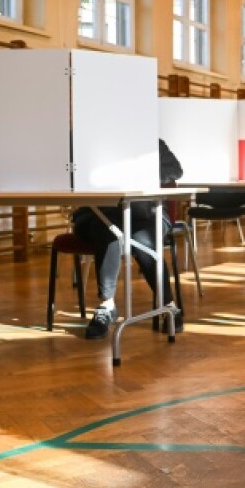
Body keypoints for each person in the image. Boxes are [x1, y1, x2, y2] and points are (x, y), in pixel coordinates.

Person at [72, 140, 184, 339]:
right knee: (108, 231)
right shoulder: (86, 137)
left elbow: (175, 170)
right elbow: (68, 173)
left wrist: (135, 175)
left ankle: (168, 306)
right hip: (100, 212)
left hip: (146, 212)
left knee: (144, 242)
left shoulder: (150, 139)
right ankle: (107, 305)